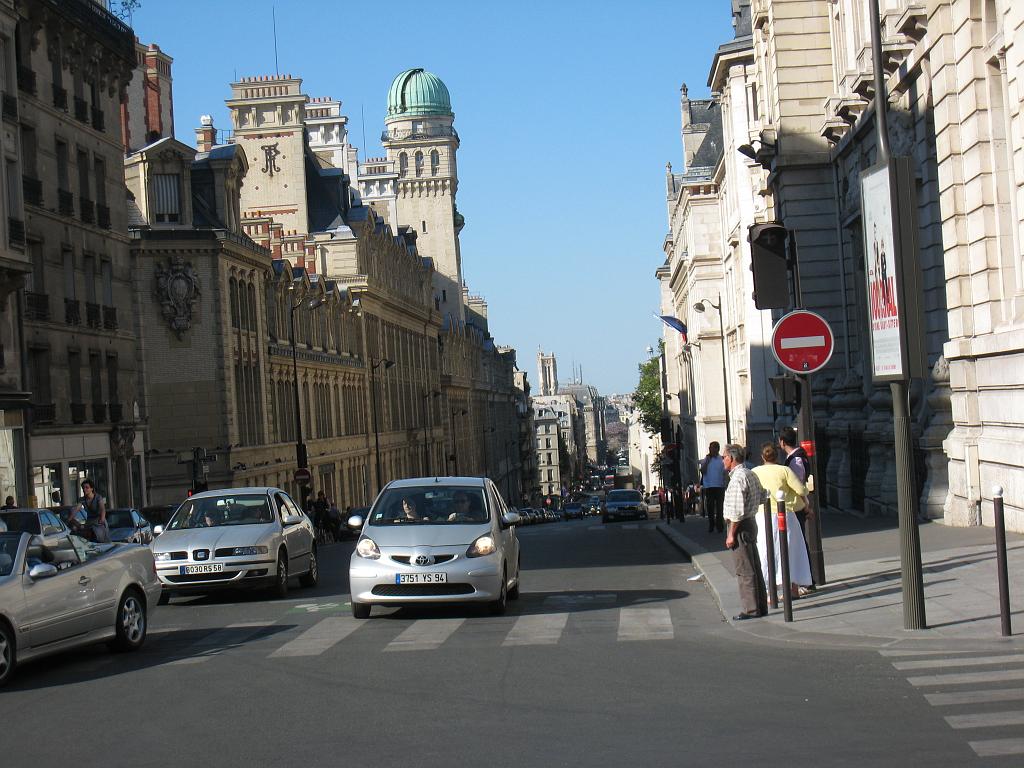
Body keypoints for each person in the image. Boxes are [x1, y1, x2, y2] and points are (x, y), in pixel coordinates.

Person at [751, 442, 813, 600]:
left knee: (765, 551)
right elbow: (801, 490)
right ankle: (793, 589)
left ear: (762, 457)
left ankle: (769, 592)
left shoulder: (755, 472)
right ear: (777, 456)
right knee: (790, 550)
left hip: (762, 516)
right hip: (785, 515)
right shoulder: (784, 470)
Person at [721, 444, 767, 620]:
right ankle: (760, 606)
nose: (723, 460)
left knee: (744, 569)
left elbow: (737, 511)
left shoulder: (737, 479)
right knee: (754, 566)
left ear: (732, 458)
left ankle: (750, 609)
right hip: (750, 522)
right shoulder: (750, 473)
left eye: (724, 457)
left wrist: (731, 534)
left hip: (740, 526)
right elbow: (762, 496)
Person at [699, 442, 726, 533]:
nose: (710, 450)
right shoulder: (706, 459)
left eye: (713, 448)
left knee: (719, 507)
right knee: (710, 507)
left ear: (717, 449)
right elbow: (703, 471)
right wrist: (707, 461)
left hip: (720, 486)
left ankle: (720, 525)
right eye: (710, 448)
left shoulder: (722, 459)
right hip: (709, 486)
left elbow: (725, 472)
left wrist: (725, 483)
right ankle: (711, 524)